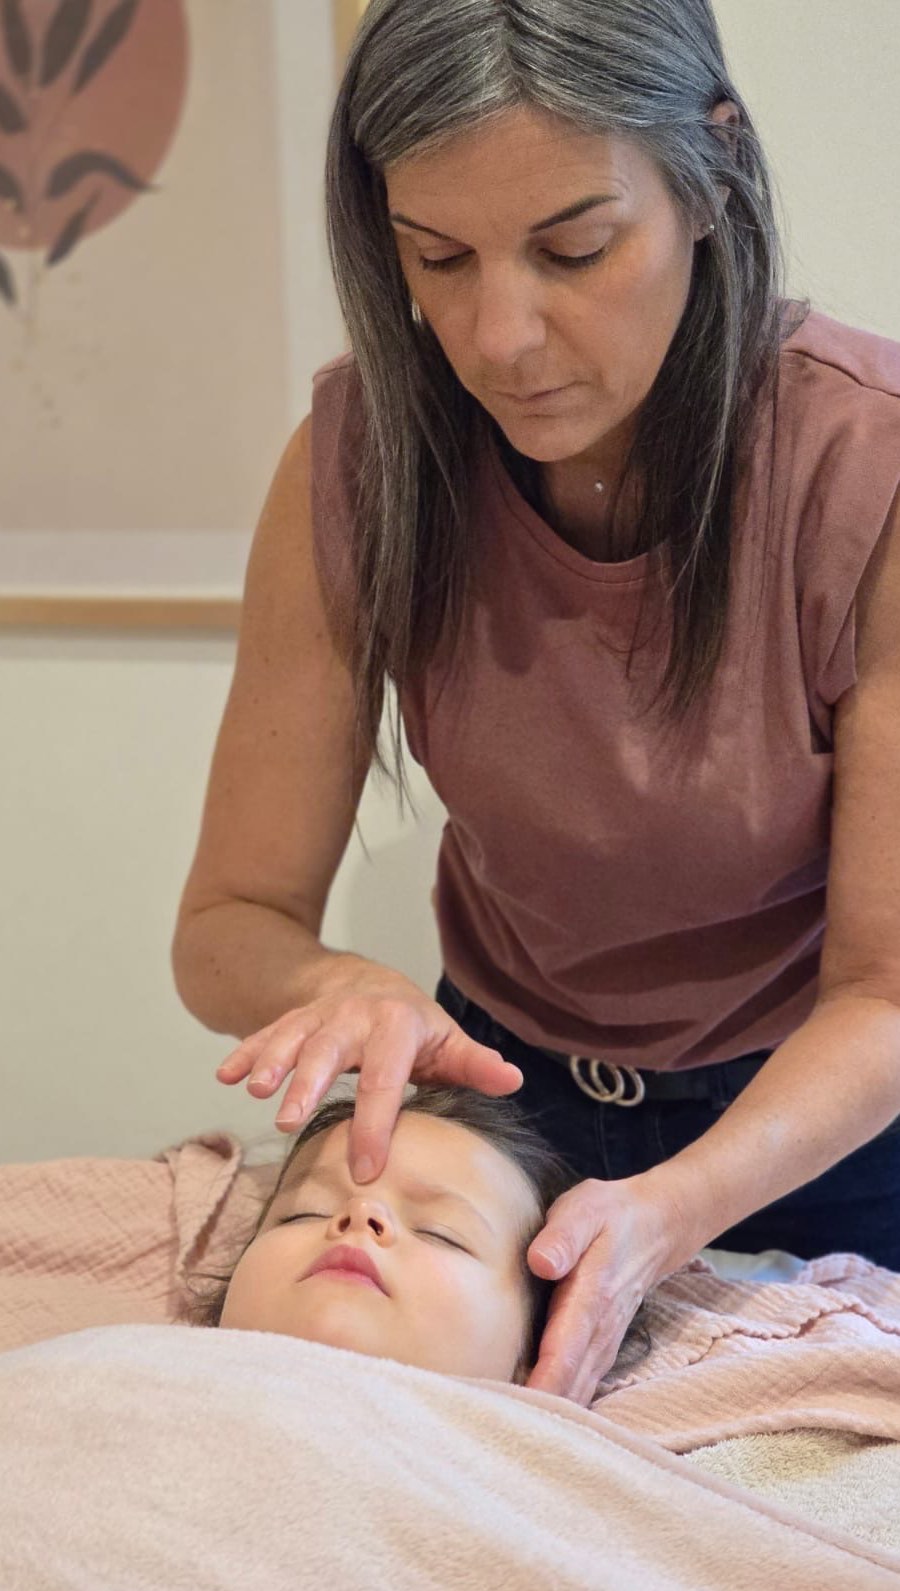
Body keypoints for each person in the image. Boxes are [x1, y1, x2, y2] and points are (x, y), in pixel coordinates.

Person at [172, 0, 900, 1407]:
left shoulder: (862, 471)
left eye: (576, 249)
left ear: (711, 173)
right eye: (436, 257)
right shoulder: (360, 462)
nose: (500, 338)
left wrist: (673, 1213)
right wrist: (341, 990)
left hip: (831, 1132)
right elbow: (225, 929)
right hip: (498, 1112)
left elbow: (886, 990)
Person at [185, 1085, 637, 1386]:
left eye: (441, 1234)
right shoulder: (131, 1373)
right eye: (304, 1213)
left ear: (536, 1353)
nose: (361, 1213)